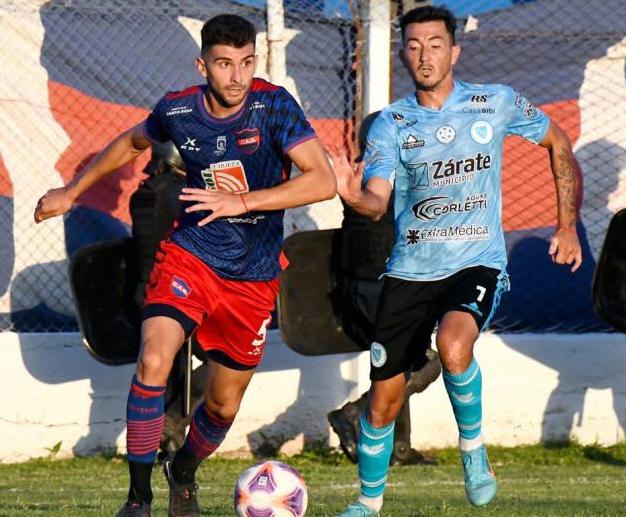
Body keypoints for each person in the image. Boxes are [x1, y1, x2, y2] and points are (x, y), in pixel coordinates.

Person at [34, 13, 336, 517]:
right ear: (203, 65)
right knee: (154, 359)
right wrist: (72, 191)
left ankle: (184, 470)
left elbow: (322, 180)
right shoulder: (178, 109)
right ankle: (138, 498)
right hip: (190, 256)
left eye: (246, 63)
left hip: (253, 276)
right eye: (224, 64)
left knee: (222, 405)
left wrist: (244, 201)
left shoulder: (274, 105)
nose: (237, 77)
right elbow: (131, 141)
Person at [327, 6, 582, 516]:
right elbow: (377, 199)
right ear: (403, 55)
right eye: (414, 46)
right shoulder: (391, 124)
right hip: (409, 269)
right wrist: (354, 198)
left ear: (455, 51)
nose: (425, 55)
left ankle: (473, 450)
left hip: (475, 260)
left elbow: (558, 141)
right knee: (382, 402)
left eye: (435, 44)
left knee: (453, 344)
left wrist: (567, 225)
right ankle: (368, 504)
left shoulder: (495, 102)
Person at [328, 112, 441, 466]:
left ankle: (397, 447)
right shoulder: (380, 176)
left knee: (400, 360)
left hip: (365, 291)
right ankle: (356, 414)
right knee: (426, 363)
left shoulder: (372, 173)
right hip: (373, 292)